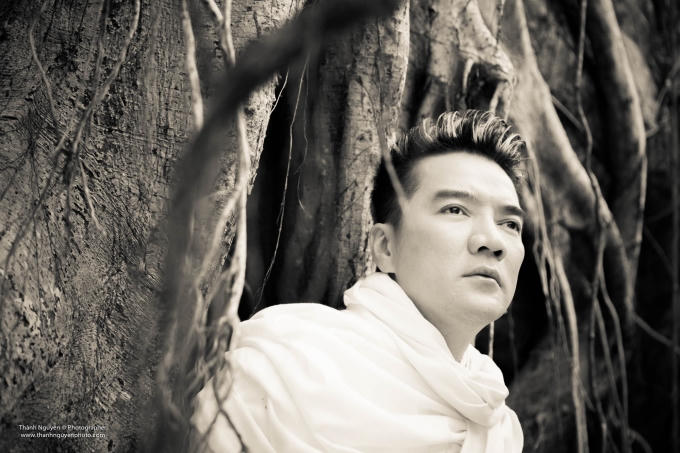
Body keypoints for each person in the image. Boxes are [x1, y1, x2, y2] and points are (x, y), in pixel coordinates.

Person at [192, 110, 526, 453]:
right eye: (455, 209)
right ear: (385, 247)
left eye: (510, 224)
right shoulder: (286, 368)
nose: (493, 241)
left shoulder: (498, 427)